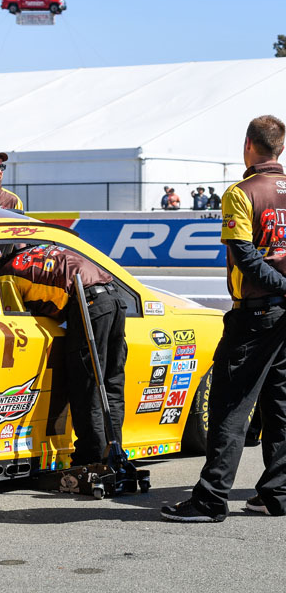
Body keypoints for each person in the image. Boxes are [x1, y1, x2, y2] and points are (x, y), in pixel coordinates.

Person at [162, 114, 286, 522]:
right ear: (280, 148)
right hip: (282, 314)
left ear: (249, 144)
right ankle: (277, 494)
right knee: (279, 402)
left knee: (229, 405)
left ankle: (211, 499)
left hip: (257, 312)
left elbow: (246, 258)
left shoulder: (241, 191)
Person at [0, 244, 127, 467]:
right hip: (114, 297)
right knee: (111, 383)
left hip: (89, 305)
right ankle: (114, 455)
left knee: (87, 386)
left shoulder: (6, 273)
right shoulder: (41, 249)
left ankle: (91, 458)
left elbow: (17, 320)